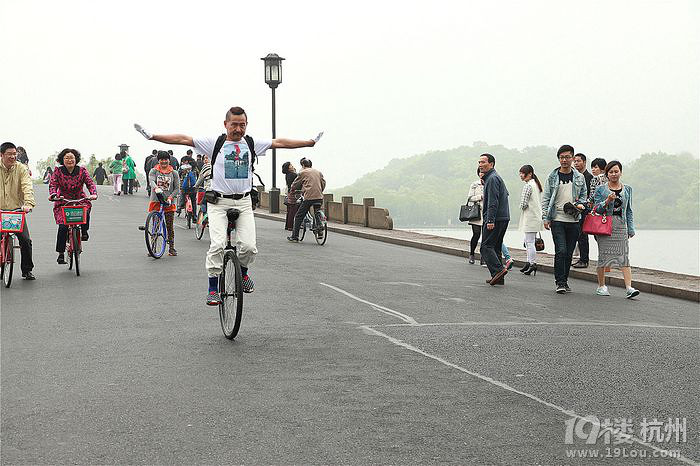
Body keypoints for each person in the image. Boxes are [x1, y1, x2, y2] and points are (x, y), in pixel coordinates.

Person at [134, 106, 320, 305]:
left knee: (249, 247)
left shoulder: (251, 143)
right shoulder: (215, 143)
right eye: (234, 125)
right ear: (226, 125)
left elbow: (280, 142)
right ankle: (213, 287)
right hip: (218, 202)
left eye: (242, 125)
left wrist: (309, 143)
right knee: (218, 244)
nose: (238, 129)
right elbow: (182, 139)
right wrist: (152, 136)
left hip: (244, 202)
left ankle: (244, 273)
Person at [541, 145, 587, 294]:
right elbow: (546, 197)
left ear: (573, 158)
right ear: (559, 159)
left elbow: (584, 196)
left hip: (574, 220)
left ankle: (565, 280)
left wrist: (580, 205)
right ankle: (559, 282)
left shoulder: (579, 177)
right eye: (562, 157)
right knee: (560, 250)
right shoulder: (552, 176)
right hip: (557, 218)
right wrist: (545, 217)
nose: (564, 160)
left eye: (567, 157)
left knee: (568, 253)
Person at [592, 161, 639, 298]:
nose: (614, 174)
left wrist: (631, 228)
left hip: (621, 226)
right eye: (611, 172)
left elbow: (629, 210)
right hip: (606, 225)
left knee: (624, 256)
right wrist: (607, 201)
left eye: (616, 171)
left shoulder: (628, 189)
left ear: (621, 172)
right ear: (606, 174)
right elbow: (596, 209)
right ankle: (601, 286)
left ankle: (629, 287)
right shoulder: (601, 189)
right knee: (603, 256)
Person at [48, 149, 98, 265]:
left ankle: (84, 231)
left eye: (72, 158)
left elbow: (90, 183)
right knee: (63, 227)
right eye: (66, 158)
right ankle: (61, 253)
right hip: (63, 201)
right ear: (62, 160)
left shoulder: (82, 170)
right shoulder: (58, 171)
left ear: (76, 160)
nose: (69, 160)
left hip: (79, 199)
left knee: (86, 210)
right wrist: (53, 194)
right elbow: (53, 184)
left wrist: (93, 193)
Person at [0, 142, 36, 280]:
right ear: (1, 155)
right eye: (9, 154)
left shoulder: (21, 168)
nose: (13, 157)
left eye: (14, 154)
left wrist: (28, 203)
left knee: (25, 240)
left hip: (16, 210)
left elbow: (27, 186)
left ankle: (27, 270)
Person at [478, 154, 510, 286]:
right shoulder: (494, 178)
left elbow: (493, 202)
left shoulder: (492, 178)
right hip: (503, 217)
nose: (480, 164)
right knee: (496, 246)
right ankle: (498, 277)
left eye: (483, 162)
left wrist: (490, 220)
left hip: (495, 218)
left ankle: (498, 270)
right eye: (479, 162)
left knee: (485, 246)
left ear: (491, 164)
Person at [148, 151, 180, 256]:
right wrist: (156, 188)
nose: (164, 162)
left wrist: (171, 197)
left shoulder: (174, 173)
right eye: (161, 159)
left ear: (169, 160)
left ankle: (171, 248)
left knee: (169, 225)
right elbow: (151, 181)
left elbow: (177, 188)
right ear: (158, 160)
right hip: (156, 201)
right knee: (155, 226)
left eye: (165, 159)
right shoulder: (154, 171)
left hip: (169, 202)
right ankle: (153, 247)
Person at [288, 158, 326, 242]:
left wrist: (293, 189)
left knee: (298, 216)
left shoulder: (303, 172)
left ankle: (295, 236)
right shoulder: (318, 172)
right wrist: (320, 191)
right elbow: (323, 183)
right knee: (317, 212)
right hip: (319, 197)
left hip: (308, 197)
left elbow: (295, 184)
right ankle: (320, 231)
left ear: (303, 165)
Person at [517, 165, 543, 275]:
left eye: (523, 173)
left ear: (530, 173)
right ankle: (528, 262)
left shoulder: (528, 186)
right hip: (536, 216)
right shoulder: (536, 185)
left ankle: (532, 263)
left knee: (530, 242)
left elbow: (523, 204)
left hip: (530, 217)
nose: (521, 176)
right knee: (529, 241)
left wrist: (520, 206)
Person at [572, 153, 593, 268]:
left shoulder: (588, 177)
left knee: (583, 235)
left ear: (584, 162)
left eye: (578, 161)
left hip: (584, 210)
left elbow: (588, 195)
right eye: (574, 161)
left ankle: (584, 260)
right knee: (578, 235)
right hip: (576, 210)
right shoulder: (575, 176)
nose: (576, 163)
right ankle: (581, 258)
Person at [466, 168, 484, 265]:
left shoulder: (490, 183)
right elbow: (469, 198)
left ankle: (483, 257)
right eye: (480, 172)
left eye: (483, 172)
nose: (482, 174)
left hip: (487, 213)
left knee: (485, 237)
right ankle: (472, 254)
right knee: (476, 234)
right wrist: (480, 197)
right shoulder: (474, 184)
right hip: (476, 213)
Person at [282, 161, 299, 231]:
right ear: (288, 168)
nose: (292, 166)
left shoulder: (287, 174)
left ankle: (288, 225)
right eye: (291, 165)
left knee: (289, 210)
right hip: (293, 193)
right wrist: (295, 172)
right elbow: (298, 179)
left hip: (289, 193)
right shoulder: (292, 174)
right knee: (293, 210)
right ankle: (291, 226)